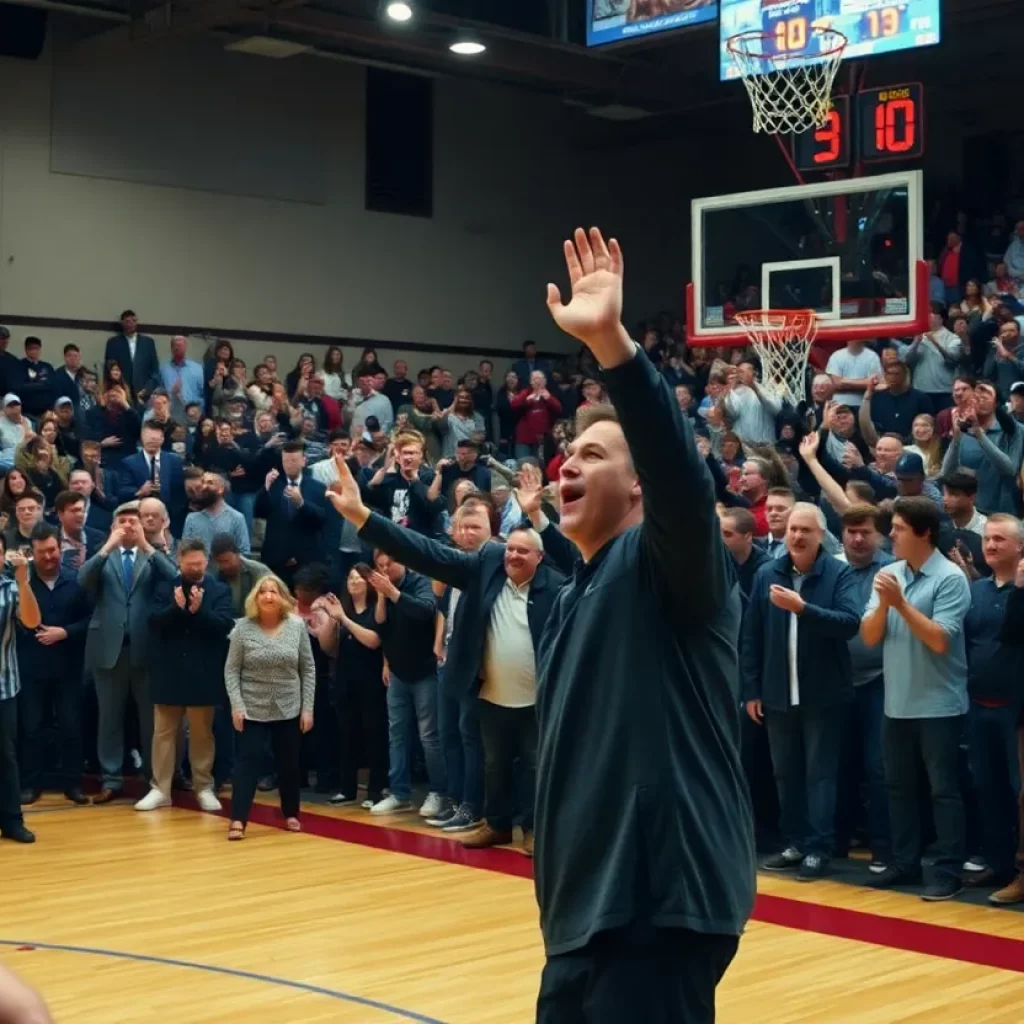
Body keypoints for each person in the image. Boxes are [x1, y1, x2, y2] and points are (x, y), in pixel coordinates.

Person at [540, 229, 754, 1016]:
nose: (568, 461)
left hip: (659, 904)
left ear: (639, 492)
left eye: (593, 455)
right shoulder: (573, 595)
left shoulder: (669, 564)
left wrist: (612, 347)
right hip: (582, 916)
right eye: (567, 451)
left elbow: (680, 479)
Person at [329, 461, 564, 853]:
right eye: (510, 549)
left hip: (539, 697)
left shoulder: (557, 584)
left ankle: (534, 830)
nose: (513, 556)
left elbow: (575, 558)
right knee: (493, 766)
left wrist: (537, 513)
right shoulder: (487, 564)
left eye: (524, 551)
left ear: (540, 558)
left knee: (536, 768)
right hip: (490, 693)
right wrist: (361, 516)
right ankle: (497, 824)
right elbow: (425, 552)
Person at [861, 496, 972, 900]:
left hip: (939, 704)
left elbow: (941, 640)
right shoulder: (889, 574)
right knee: (899, 787)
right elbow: (870, 637)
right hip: (897, 703)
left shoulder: (950, 578)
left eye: (899, 528)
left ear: (924, 533)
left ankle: (947, 871)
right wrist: (887, 605)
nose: (890, 534)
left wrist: (900, 604)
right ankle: (905, 863)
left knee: (943, 791)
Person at [742, 503, 861, 880]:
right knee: (785, 773)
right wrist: (751, 690)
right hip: (776, 694)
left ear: (819, 535)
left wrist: (803, 608)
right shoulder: (766, 574)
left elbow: (849, 623)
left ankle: (818, 847)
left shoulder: (838, 573)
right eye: (793, 529)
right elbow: (751, 636)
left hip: (823, 695)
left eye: (805, 530)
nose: (796, 536)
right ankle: (793, 842)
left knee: (820, 775)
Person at [78, 501, 177, 802]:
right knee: (109, 718)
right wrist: (108, 546)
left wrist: (147, 545)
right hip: (108, 649)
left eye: (133, 521)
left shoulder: (151, 555)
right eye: (121, 521)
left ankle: (153, 779)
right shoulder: (103, 556)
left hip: (145, 649)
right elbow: (82, 580)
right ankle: (111, 779)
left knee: (150, 720)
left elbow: (174, 577)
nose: (128, 526)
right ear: (112, 527)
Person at [136, 538, 235, 814]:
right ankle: (160, 789)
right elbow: (153, 623)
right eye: (190, 564)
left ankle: (203, 786)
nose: (195, 569)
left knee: (203, 734)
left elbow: (224, 625)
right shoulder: (165, 587)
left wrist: (198, 611)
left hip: (203, 672)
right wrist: (176, 609)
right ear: (179, 560)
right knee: (163, 733)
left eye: (200, 564)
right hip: (169, 671)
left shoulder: (219, 590)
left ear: (207, 561)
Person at [224, 574, 316, 840]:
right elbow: (231, 671)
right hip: (252, 706)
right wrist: (237, 705)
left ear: (282, 597)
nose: (268, 596)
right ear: (255, 597)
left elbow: (308, 669)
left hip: (289, 705)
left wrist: (307, 708)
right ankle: (238, 819)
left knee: (289, 764)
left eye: (274, 591)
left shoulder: (297, 626)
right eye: (263, 591)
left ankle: (291, 814)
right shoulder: (242, 628)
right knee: (247, 763)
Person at [962, 515, 1024, 901]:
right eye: (987, 538)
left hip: (1017, 709)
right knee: (989, 789)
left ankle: (1021, 870)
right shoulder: (978, 589)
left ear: (1020, 548)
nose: (991, 545)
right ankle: (999, 864)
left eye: (1000, 539)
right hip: (978, 703)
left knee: (1021, 795)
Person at [361, 550, 446, 817]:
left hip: (425, 671)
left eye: (390, 563)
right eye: (380, 565)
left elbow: (425, 612)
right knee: (396, 733)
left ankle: (438, 792)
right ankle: (399, 792)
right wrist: (383, 596)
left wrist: (394, 593)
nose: (385, 569)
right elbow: (381, 626)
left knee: (429, 736)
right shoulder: (383, 588)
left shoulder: (420, 582)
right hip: (397, 670)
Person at [833, 505, 894, 872]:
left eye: (865, 532)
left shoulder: (892, 571)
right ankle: (837, 841)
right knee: (839, 764)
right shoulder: (831, 568)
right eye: (851, 531)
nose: (858, 538)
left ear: (880, 534)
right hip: (836, 680)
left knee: (879, 767)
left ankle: (883, 848)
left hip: (881, 680)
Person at [17, 524, 91, 807]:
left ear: (60, 547)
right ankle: (31, 784)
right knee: (32, 727)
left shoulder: (77, 581)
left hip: (68, 668)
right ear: (32, 553)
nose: (49, 556)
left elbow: (89, 620)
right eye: (42, 552)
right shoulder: (23, 583)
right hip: (32, 668)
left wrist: (65, 632)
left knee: (72, 726)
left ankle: (73, 783)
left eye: (52, 550)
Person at [319, 566, 388, 808]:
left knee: (374, 735)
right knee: (346, 734)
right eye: (350, 577)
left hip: (372, 681)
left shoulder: (375, 610)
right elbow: (328, 647)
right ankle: (346, 789)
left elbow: (373, 641)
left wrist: (343, 619)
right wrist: (331, 617)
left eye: (359, 577)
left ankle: (376, 791)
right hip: (345, 680)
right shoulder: (342, 610)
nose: (354, 581)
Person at [0, 537, 42, 842]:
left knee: (5, 756)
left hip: (4, 686)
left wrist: (23, 580)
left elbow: (32, 621)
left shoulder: (9, 588)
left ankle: (12, 821)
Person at [941, 380, 1024, 515]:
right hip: (972, 512)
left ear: (996, 403)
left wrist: (979, 435)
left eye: (985, 395)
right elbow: (946, 473)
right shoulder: (964, 431)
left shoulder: (1016, 430)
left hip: (1005, 512)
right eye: (975, 395)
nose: (979, 398)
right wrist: (955, 439)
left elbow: (1009, 470)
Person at [254, 441, 326, 589]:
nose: (289, 464)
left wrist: (301, 504)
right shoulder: (274, 484)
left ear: (303, 461)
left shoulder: (318, 488)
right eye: (285, 461)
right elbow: (259, 512)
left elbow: (321, 520)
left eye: (293, 460)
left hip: (306, 560)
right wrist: (265, 487)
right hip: (276, 558)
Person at [117, 421, 187, 536]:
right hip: (140, 520)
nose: (151, 441)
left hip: (169, 521)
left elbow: (179, 493)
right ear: (142, 438)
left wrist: (171, 516)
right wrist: (139, 492)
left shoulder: (175, 461)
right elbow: (122, 492)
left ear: (162, 440)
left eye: (155, 438)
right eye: (148, 438)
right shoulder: (129, 462)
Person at [181, 470, 250, 555]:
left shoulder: (236, 518)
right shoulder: (191, 518)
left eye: (210, 483)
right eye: (202, 483)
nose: (204, 486)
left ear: (221, 489)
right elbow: (185, 552)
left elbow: (244, 552)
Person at [105, 310, 160, 403]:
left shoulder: (148, 343)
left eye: (134, 321)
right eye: (127, 321)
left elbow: (155, 370)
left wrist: (147, 389)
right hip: (121, 393)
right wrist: (116, 388)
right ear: (122, 323)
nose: (131, 324)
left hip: (144, 393)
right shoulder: (113, 343)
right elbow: (109, 369)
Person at [826, 339, 882, 409]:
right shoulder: (836, 356)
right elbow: (837, 383)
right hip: (839, 405)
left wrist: (843, 381)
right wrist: (866, 382)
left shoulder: (873, 356)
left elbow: (876, 384)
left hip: (864, 406)